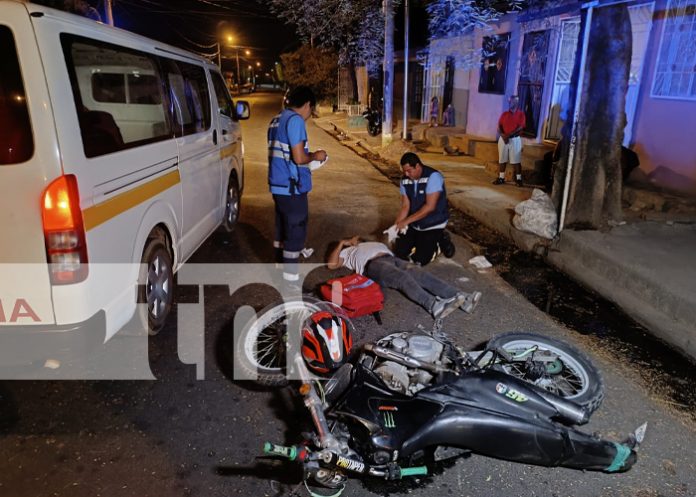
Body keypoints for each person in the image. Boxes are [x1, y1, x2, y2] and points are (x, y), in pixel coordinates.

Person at [328, 237, 482, 320]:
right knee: (402, 278)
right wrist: (342, 243)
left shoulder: (375, 243)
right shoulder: (349, 251)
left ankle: (462, 298)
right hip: (373, 265)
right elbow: (331, 265)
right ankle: (433, 305)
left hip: (392, 259)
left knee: (420, 274)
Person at [268, 86, 327, 286]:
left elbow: (283, 155)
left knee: (281, 228)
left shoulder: (276, 120)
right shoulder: (295, 121)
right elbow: (299, 157)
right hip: (291, 187)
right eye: (312, 108)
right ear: (308, 104)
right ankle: (291, 279)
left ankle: (280, 267)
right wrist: (317, 156)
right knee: (295, 231)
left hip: (277, 185)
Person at [393, 152, 455, 266]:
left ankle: (440, 241)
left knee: (420, 260)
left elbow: (429, 207)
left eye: (409, 171)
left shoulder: (433, 177)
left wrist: (406, 221)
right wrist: (396, 225)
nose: (406, 174)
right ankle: (422, 240)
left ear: (417, 166)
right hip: (416, 223)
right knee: (399, 253)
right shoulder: (405, 180)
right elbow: (406, 206)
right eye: (404, 171)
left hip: (433, 222)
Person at [493, 95, 526, 187]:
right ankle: (501, 178)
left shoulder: (521, 114)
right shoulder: (504, 114)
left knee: (516, 160)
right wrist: (503, 135)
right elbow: (499, 126)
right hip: (503, 139)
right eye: (509, 101)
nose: (509, 103)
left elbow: (520, 127)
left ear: (516, 103)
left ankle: (519, 179)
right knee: (502, 159)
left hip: (514, 139)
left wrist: (509, 134)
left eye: (511, 101)